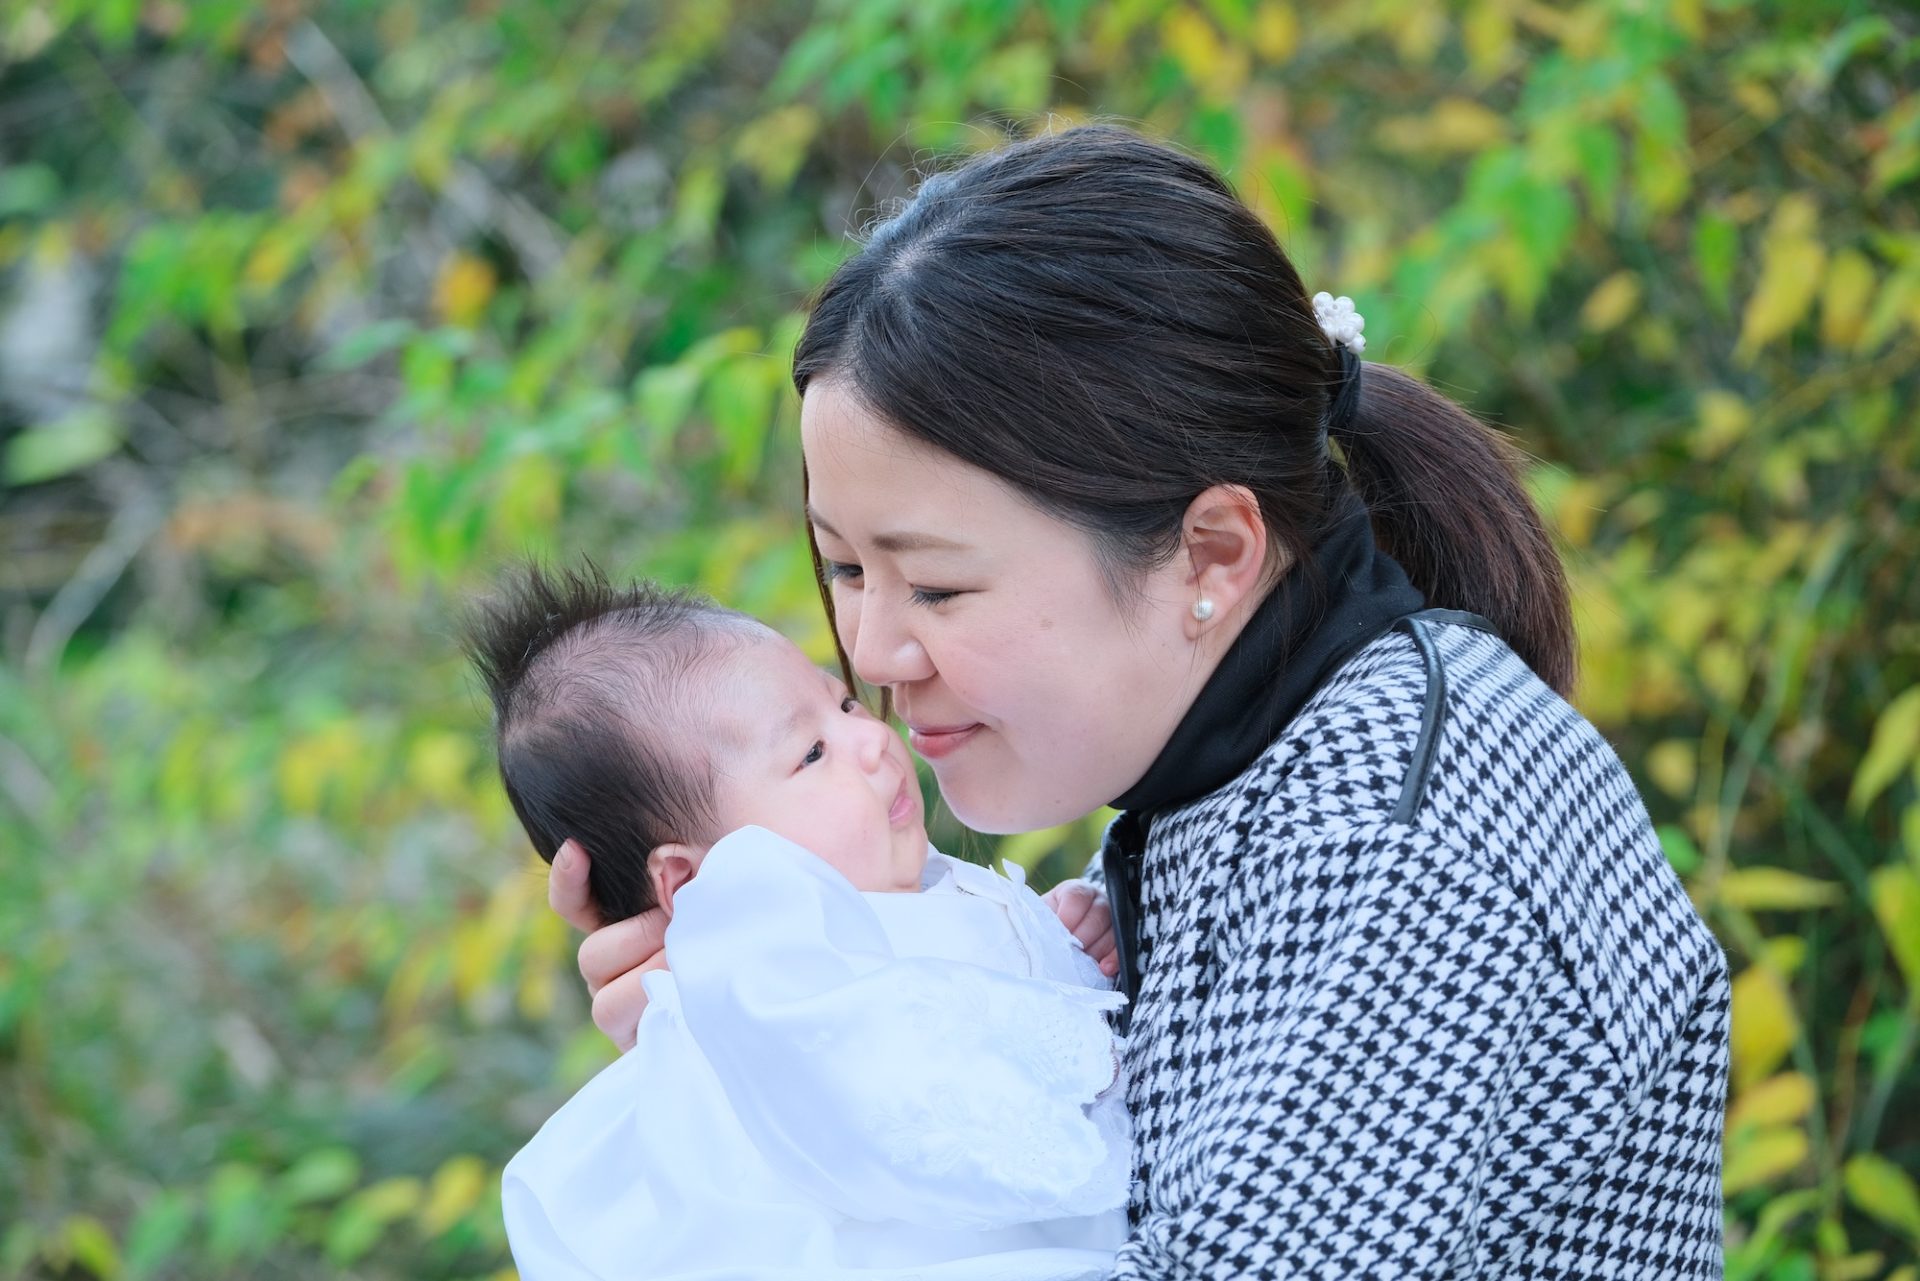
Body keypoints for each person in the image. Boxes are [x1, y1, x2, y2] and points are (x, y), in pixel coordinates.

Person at [550, 124, 1730, 1277]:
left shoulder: (1400, 845)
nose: (873, 648)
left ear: (1212, 554)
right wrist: (758, 1070)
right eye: (850, 569)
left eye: (940, 584)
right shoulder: (1234, 762)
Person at [465, 563, 1131, 1280]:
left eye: (843, 706)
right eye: (810, 753)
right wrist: (1064, 1013)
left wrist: (1056, 944)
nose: (873, 739)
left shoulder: (886, 909)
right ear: (696, 881)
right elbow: (939, 1105)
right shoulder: (783, 997)